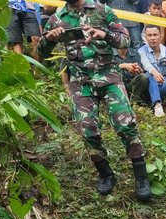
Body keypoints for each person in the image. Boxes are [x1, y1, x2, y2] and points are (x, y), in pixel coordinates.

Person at [37, 0, 151, 202]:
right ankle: (106, 173)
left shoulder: (102, 11)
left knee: (125, 124)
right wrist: (49, 38)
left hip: (109, 76)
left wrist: (104, 34)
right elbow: (41, 53)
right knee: (87, 129)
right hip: (81, 82)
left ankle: (141, 176)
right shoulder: (57, 18)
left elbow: (125, 41)